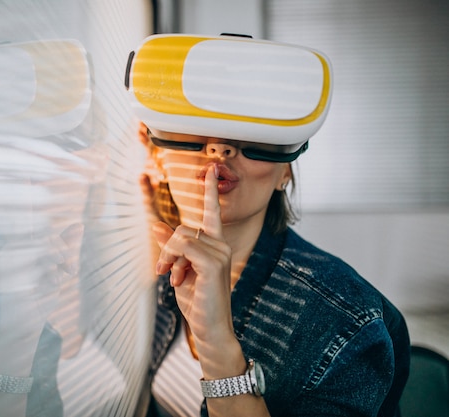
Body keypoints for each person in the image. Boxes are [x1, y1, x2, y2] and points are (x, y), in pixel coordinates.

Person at [127, 34, 411, 417]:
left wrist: (217, 343)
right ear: (159, 160)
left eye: (251, 133)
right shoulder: (163, 271)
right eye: (197, 124)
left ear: (285, 174)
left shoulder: (345, 322)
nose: (220, 148)